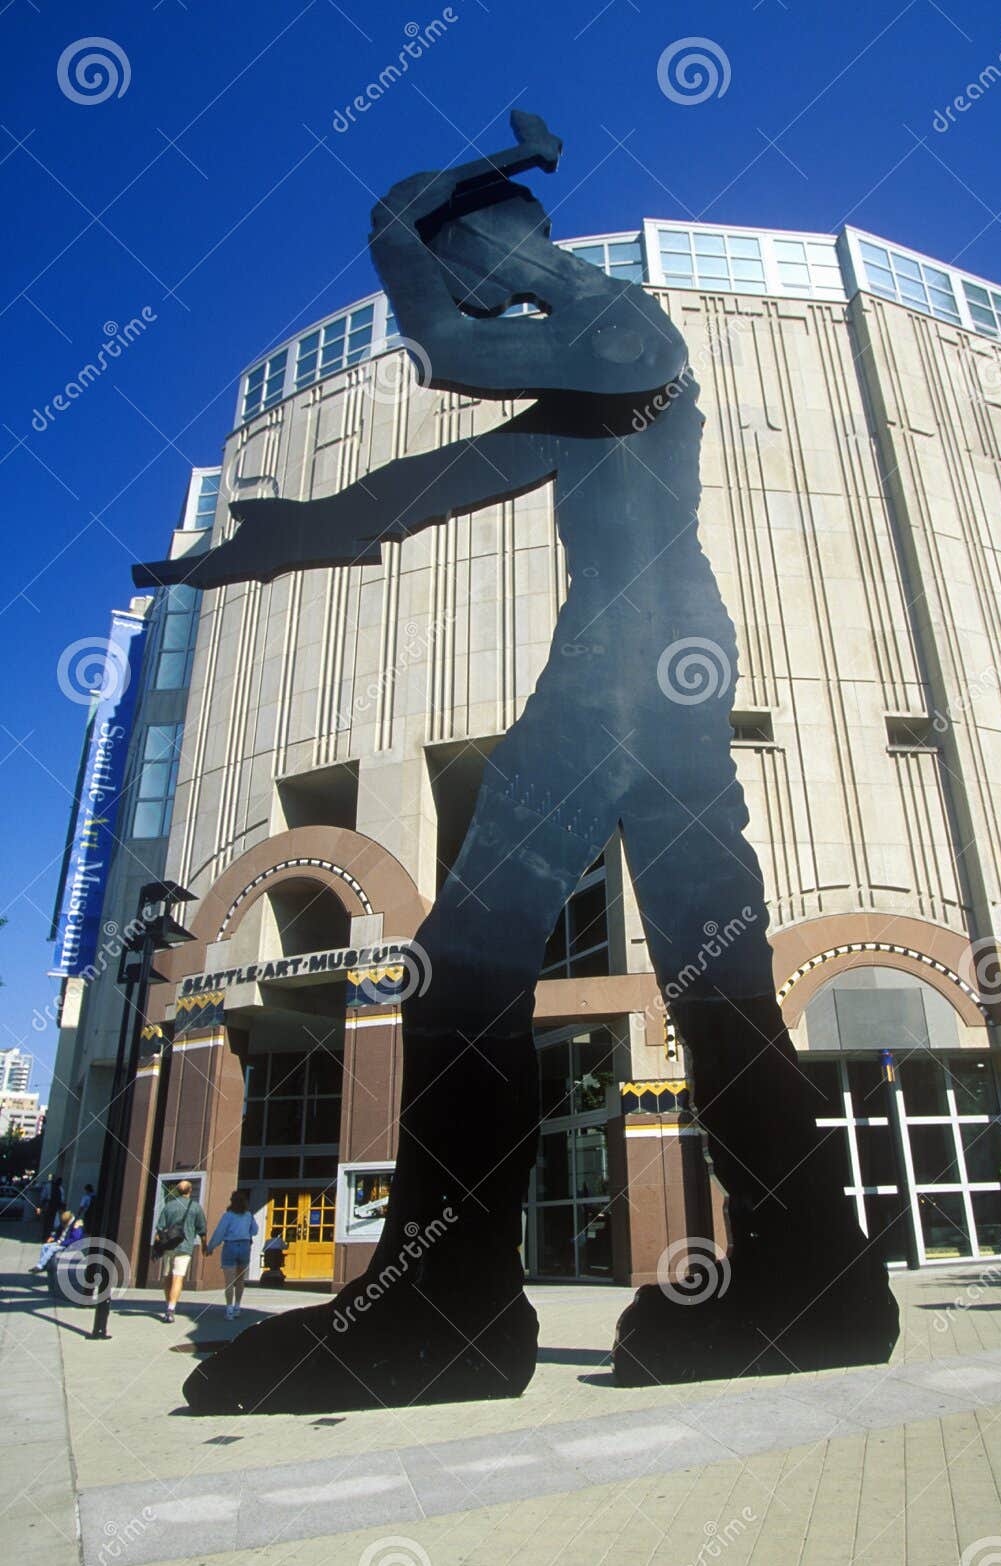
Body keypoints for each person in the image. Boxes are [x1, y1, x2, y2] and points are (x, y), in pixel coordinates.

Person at [138, 111, 898, 1414]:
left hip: (632, 653)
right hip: (655, 649)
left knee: (474, 953)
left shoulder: (623, 329)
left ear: (496, 242)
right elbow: (447, 475)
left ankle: (451, 1301)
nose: (466, 290)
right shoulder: (604, 365)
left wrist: (394, 229)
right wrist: (279, 536)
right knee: (714, 956)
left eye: (466, 261)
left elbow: (441, 351)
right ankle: (812, 1272)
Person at [153, 1179, 207, 1324]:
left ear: (177, 1191)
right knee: (178, 1278)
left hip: (168, 1246)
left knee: (167, 1277)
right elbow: (202, 1230)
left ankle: (168, 1304)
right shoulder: (196, 1207)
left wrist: (156, 1247)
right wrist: (204, 1246)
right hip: (185, 1246)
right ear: (190, 1191)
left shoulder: (168, 1206)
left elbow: (159, 1229)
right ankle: (171, 1308)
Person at [206, 1191, 258, 1318]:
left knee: (229, 1281)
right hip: (245, 1246)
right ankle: (237, 1306)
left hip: (230, 1245)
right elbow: (255, 1230)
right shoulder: (248, 1215)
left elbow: (219, 1232)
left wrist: (211, 1247)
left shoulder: (228, 1216)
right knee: (240, 1280)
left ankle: (229, 1309)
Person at [37, 1175, 64, 1242]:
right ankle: (46, 1237)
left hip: (54, 1208)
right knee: (48, 1223)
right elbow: (43, 1197)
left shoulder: (59, 1188)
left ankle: (51, 1237)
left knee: (53, 1224)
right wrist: (40, 1206)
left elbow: (62, 1200)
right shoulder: (50, 1187)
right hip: (49, 1206)